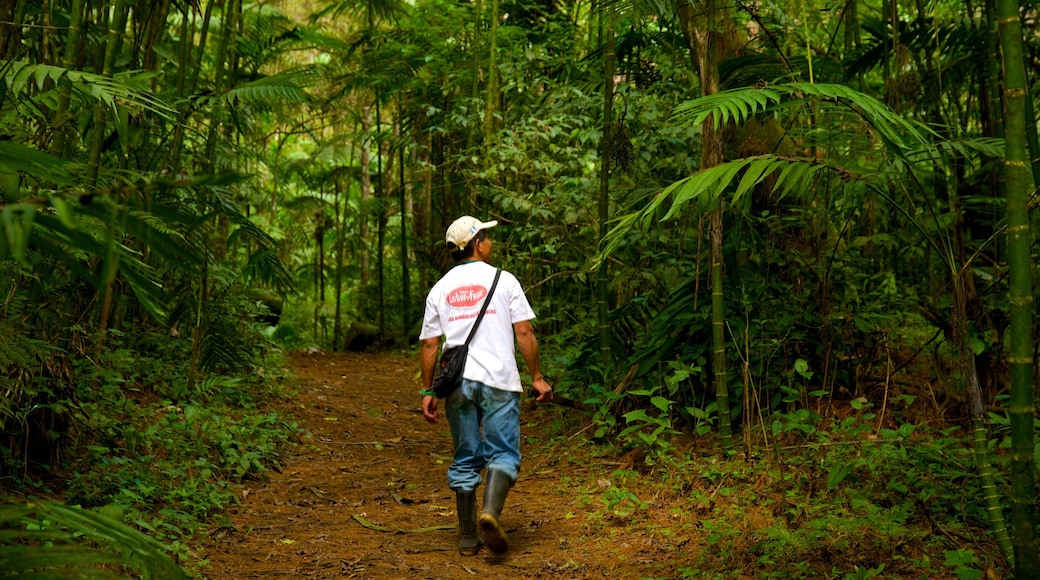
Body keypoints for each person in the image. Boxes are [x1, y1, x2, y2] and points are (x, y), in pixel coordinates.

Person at [419, 215, 553, 556]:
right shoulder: (505, 281)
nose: (491, 242)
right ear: (477, 243)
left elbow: (430, 344)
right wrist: (536, 377)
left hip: (458, 383)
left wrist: (427, 391)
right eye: (487, 237)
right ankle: (490, 512)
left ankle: (467, 537)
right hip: (499, 381)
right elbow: (523, 332)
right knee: (503, 453)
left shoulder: (441, 287)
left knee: (465, 457)